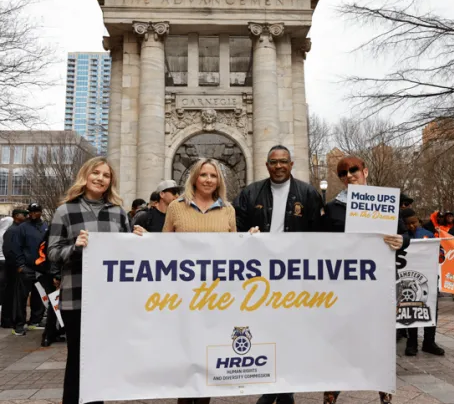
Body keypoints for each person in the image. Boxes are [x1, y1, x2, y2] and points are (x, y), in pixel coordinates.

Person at [135, 158, 236, 404]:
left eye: (213, 175)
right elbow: (165, 247)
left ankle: (203, 399)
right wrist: (147, 240)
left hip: (215, 296)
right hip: (183, 295)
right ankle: (183, 398)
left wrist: (253, 239)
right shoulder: (176, 208)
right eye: (203, 175)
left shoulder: (228, 210)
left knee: (209, 354)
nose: (208, 180)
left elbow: (235, 251)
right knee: (184, 353)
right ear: (194, 178)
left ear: (218, 180)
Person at [233, 145, 324, 404]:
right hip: (259, 276)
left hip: (294, 275)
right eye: (274, 162)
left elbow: (319, 236)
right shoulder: (250, 193)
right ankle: (275, 385)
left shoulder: (307, 193)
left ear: (291, 164)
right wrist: (245, 236)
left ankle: (283, 388)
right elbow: (235, 230)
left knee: (290, 330)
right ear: (266, 165)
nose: (279, 166)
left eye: (284, 161)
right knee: (265, 330)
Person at [322, 156, 407, 404]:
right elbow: (321, 243)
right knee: (339, 340)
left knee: (379, 339)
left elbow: (402, 235)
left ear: (365, 171)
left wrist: (403, 240)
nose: (349, 175)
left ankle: (384, 393)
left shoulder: (386, 202)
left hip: (379, 283)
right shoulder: (332, 208)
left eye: (354, 170)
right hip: (344, 283)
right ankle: (331, 393)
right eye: (342, 173)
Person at [48, 157, 130, 404]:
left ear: (110, 182)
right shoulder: (65, 210)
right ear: (85, 175)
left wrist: (140, 240)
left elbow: (128, 254)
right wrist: (75, 247)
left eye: (106, 175)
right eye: (96, 173)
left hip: (109, 302)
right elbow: (52, 252)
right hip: (77, 298)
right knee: (77, 360)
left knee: (101, 362)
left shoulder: (118, 213)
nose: (100, 178)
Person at [400, 208, 445, 357]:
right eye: (408, 224)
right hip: (409, 280)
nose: (411, 226)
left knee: (431, 308)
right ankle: (412, 343)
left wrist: (439, 254)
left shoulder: (428, 235)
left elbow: (441, 254)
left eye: (413, 223)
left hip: (428, 279)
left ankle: (429, 342)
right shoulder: (401, 237)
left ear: (418, 220)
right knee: (410, 309)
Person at [10, 203, 48, 335]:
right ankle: (19, 324)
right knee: (21, 298)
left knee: (38, 296)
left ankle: (35, 321)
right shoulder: (22, 228)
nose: (33, 214)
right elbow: (16, 247)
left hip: (41, 268)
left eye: (36, 211)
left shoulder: (45, 226)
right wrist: (20, 265)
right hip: (26, 268)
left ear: (40, 212)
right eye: (31, 212)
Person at [1, 209, 28, 328]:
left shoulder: (15, 229)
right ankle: (7, 320)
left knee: (11, 293)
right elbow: (9, 250)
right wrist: (17, 265)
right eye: (24, 214)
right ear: (16, 216)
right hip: (11, 267)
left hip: (11, 266)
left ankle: (10, 319)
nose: (26, 216)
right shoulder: (12, 231)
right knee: (10, 293)